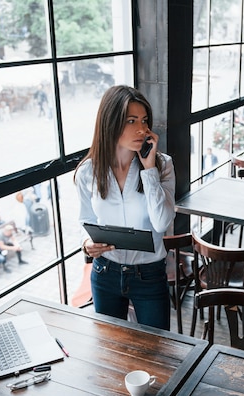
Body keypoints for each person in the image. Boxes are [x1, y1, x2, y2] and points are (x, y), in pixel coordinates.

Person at [74, 85, 175, 331]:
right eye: (131, 121)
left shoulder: (163, 165)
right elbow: (85, 219)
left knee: (157, 350)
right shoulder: (88, 171)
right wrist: (87, 243)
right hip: (105, 271)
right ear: (111, 123)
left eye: (144, 120)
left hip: (149, 274)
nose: (141, 129)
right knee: (111, 349)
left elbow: (162, 223)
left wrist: (149, 169)